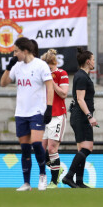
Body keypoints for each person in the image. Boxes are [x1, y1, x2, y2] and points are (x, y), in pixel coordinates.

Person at [0, 37, 54, 191]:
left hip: (37, 112)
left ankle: (43, 175)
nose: (14, 54)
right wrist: (9, 67)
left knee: (37, 144)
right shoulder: (16, 66)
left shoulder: (41, 65)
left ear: (25, 51)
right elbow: (3, 83)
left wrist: (48, 108)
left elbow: (49, 88)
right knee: (24, 148)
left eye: (16, 51)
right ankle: (26, 183)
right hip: (21, 113)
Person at [62, 48, 98, 188]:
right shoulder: (82, 76)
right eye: (93, 60)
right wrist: (90, 116)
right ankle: (69, 176)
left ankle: (79, 181)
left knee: (82, 149)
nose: (94, 62)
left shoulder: (82, 75)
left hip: (79, 116)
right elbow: (80, 99)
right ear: (88, 62)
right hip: (81, 116)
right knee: (87, 148)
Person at [40, 49, 69, 189]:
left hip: (57, 115)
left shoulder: (62, 74)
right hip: (43, 115)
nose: (47, 70)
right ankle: (56, 169)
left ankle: (54, 181)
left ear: (54, 64)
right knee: (40, 149)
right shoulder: (41, 75)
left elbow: (64, 94)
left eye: (49, 67)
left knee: (52, 148)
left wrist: (52, 82)